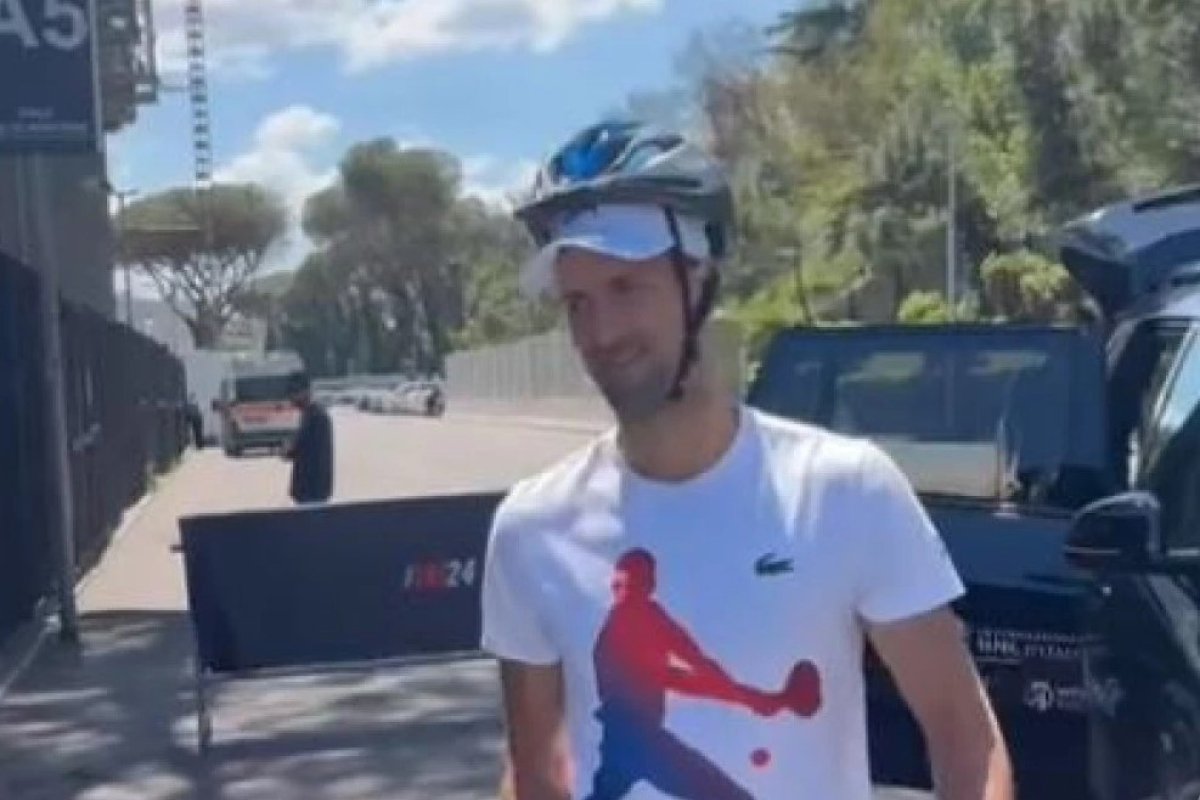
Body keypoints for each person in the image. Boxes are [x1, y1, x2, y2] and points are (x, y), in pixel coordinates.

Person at [480, 120, 1013, 800]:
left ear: (699, 281)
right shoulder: (531, 527)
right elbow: (534, 771)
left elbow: (965, 736)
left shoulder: (845, 490)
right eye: (577, 302)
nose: (601, 332)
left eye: (626, 287)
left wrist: (760, 700)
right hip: (639, 745)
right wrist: (763, 699)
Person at [282, 371, 333, 504]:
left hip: (311, 491)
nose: (291, 399)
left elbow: (304, 449)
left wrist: (290, 449)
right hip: (313, 490)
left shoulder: (315, 417)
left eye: (293, 393)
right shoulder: (312, 415)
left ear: (305, 392)